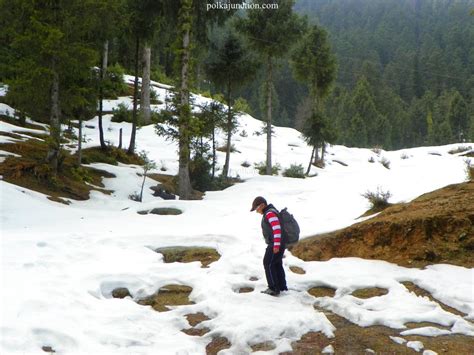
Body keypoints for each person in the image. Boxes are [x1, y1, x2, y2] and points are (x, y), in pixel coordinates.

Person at [250, 196, 287, 296]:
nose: (257, 211)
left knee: (268, 263)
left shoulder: (270, 213)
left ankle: (274, 288)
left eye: (257, 209)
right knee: (276, 263)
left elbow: (277, 229)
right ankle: (281, 286)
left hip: (275, 243)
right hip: (279, 243)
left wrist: (276, 245)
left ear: (262, 205)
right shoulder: (271, 211)